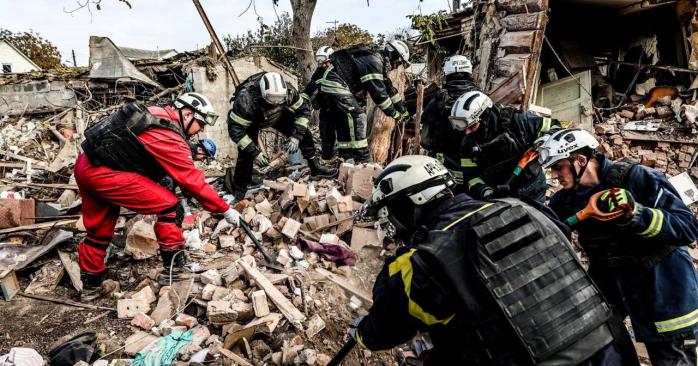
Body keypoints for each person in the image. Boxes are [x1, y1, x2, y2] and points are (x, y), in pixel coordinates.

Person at [347, 155, 637, 365]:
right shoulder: (524, 207)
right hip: (611, 347)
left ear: (410, 203)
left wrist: (361, 333)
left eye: (392, 213)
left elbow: (385, 330)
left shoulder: (420, 261)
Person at [539, 128, 698, 366]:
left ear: (580, 160)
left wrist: (637, 214)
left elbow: (687, 227)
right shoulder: (566, 200)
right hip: (616, 292)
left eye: (559, 167)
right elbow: (550, 232)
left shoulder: (638, 178)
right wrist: (580, 216)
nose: (554, 175)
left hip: (666, 296)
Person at [77, 93, 242, 300]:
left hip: (86, 165)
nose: (201, 129)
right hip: (106, 174)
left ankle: (90, 288)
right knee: (169, 207)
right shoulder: (168, 132)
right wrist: (225, 210)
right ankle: (173, 270)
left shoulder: (153, 114)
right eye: (200, 123)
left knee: (99, 229)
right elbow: (192, 180)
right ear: (188, 113)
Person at [224, 71, 336, 196]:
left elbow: (303, 110)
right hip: (252, 120)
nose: (276, 102)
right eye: (272, 98)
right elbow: (235, 129)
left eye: (279, 99)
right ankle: (240, 188)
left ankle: (315, 167)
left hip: (279, 115)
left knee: (304, 133)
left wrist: (296, 137)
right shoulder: (245, 99)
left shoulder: (289, 91)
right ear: (263, 94)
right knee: (245, 154)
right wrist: (254, 152)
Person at [449, 91, 559, 203]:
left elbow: (555, 126)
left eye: (472, 126)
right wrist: (483, 190)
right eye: (465, 128)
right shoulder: (468, 144)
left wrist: (544, 141)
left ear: (484, 116)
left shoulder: (518, 120)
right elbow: (471, 176)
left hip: (532, 189)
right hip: (501, 196)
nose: (467, 132)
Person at [313, 40, 411, 162]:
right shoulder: (374, 62)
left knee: (345, 122)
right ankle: (363, 159)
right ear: (393, 54)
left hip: (333, 83)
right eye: (399, 62)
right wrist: (395, 115)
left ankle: (346, 157)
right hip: (335, 84)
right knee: (358, 117)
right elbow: (380, 96)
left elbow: (390, 89)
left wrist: (404, 111)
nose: (397, 66)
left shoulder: (376, 60)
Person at [421, 55, 480, 189]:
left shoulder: (437, 101)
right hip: (475, 175)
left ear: (447, 74)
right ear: (469, 73)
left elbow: (425, 140)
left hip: (443, 171)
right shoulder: (482, 100)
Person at [302, 46, 337, 164]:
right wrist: (299, 105)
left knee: (345, 136)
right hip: (326, 109)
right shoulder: (319, 72)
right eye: (322, 63)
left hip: (341, 109)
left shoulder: (340, 70)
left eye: (326, 63)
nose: (324, 66)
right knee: (326, 135)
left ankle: (346, 159)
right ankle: (327, 159)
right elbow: (309, 90)